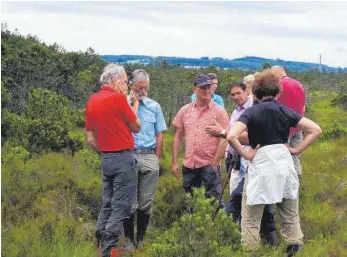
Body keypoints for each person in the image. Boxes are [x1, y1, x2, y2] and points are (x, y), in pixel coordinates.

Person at [205, 69, 322, 256]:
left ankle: (251, 249)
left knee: (251, 213)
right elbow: (315, 129)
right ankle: (294, 245)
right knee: (289, 209)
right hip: (283, 161)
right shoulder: (285, 110)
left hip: (261, 161)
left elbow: (233, 135)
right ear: (277, 92)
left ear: (255, 93)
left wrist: (246, 153)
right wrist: (297, 149)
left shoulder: (252, 112)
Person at [85, 63, 141, 257]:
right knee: (120, 207)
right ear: (116, 81)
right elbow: (136, 127)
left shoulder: (92, 100)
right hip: (123, 158)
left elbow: (90, 139)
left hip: (106, 158)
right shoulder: (118, 99)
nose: (127, 86)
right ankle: (109, 252)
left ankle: (99, 247)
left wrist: (107, 153)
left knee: (107, 204)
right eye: (125, 82)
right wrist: (134, 105)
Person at [224, 81, 279, 245]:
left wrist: (224, 133)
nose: (235, 97)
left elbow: (249, 136)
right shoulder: (236, 110)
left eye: (238, 93)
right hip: (237, 159)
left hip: (254, 159)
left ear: (247, 92)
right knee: (244, 197)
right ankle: (243, 235)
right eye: (232, 94)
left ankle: (264, 238)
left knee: (244, 197)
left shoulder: (254, 109)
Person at [123, 69, 167, 250]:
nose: (143, 91)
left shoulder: (154, 106)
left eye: (146, 88)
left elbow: (160, 135)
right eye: (139, 87)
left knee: (146, 202)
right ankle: (128, 241)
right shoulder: (122, 104)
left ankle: (141, 240)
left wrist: (156, 157)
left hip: (149, 155)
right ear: (131, 85)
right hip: (128, 155)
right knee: (129, 202)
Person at [172, 74, 229, 205]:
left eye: (209, 87)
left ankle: (215, 226)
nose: (206, 91)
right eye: (203, 88)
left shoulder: (220, 112)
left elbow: (225, 138)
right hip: (189, 165)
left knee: (213, 202)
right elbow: (177, 137)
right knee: (190, 202)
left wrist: (214, 164)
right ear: (194, 89)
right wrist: (175, 162)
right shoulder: (185, 110)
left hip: (209, 164)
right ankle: (191, 225)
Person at [271, 66, 306, 180]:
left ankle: (284, 188)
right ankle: (297, 184)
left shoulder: (278, 86)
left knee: (281, 158)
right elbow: (303, 108)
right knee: (295, 157)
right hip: (298, 127)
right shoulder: (299, 85)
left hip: (284, 129)